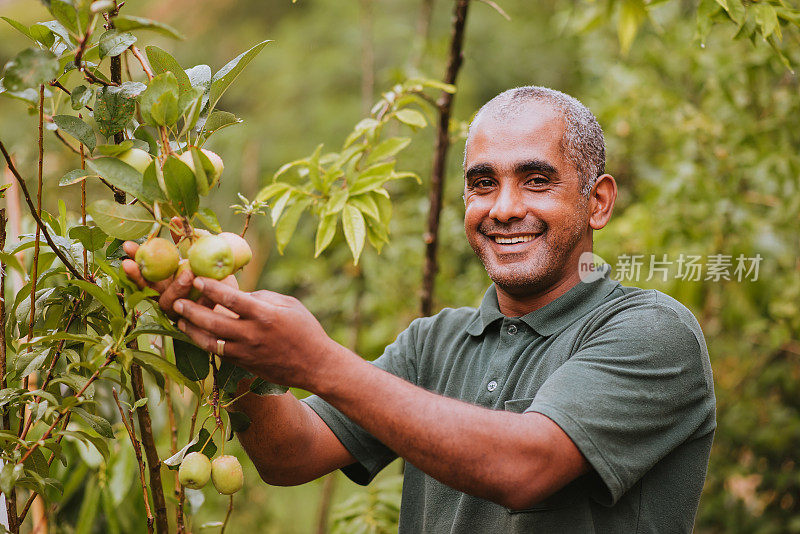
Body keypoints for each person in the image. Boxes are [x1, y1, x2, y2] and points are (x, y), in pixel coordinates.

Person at [123, 86, 716, 532]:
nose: (504, 207)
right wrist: (226, 335)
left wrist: (317, 361)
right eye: (483, 183)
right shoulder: (435, 342)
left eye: (536, 180)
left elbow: (524, 467)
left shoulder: (651, 332)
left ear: (598, 202)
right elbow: (290, 454)